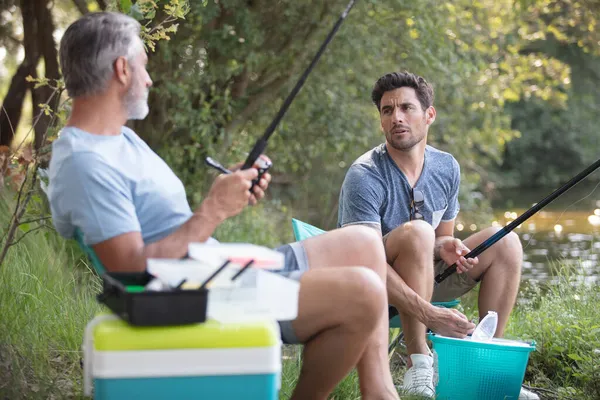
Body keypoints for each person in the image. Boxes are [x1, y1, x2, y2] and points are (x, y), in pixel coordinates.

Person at [47, 12, 402, 400]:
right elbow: (132, 272)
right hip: (186, 294)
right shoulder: (87, 163)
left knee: (364, 243)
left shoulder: (118, 142)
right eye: (143, 67)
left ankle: (379, 392)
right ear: (121, 70)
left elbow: (169, 226)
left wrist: (227, 191)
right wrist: (213, 209)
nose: (149, 79)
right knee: (365, 292)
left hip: (209, 268)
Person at [337, 71, 539, 400]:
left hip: (424, 276)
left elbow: (441, 239)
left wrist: (446, 246)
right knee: (418, 232)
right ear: (381, 121)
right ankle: (419, 365)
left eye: (406, 108)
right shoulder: (365, 175)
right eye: (387, 111)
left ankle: (482, 361)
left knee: (505, 241)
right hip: (370, 286)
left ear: (429, 115)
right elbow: (365, 258)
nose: (396, 117)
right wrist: (431, 314)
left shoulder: (446, 168)